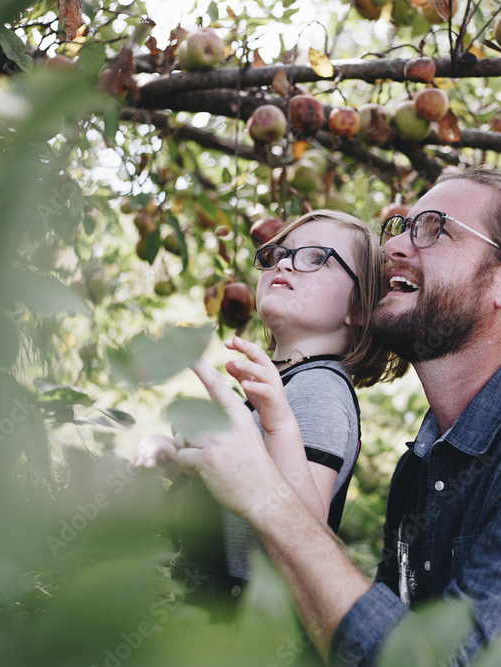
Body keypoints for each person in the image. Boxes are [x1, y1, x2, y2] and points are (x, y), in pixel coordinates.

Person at [174, 167, 501, 665]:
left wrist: (266, 495)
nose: (395, 247)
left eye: (433, 230)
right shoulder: (425, 464)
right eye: (401, 228)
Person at [133, 209, 406, 615]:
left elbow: (304, 530)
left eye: (316, 257)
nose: (283, 262)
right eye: (278, 253)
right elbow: (238, 486)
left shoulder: (319, 390)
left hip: (245, 622)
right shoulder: (284, 384)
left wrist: (265, 426)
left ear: (360, 308)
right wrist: (170, 454)